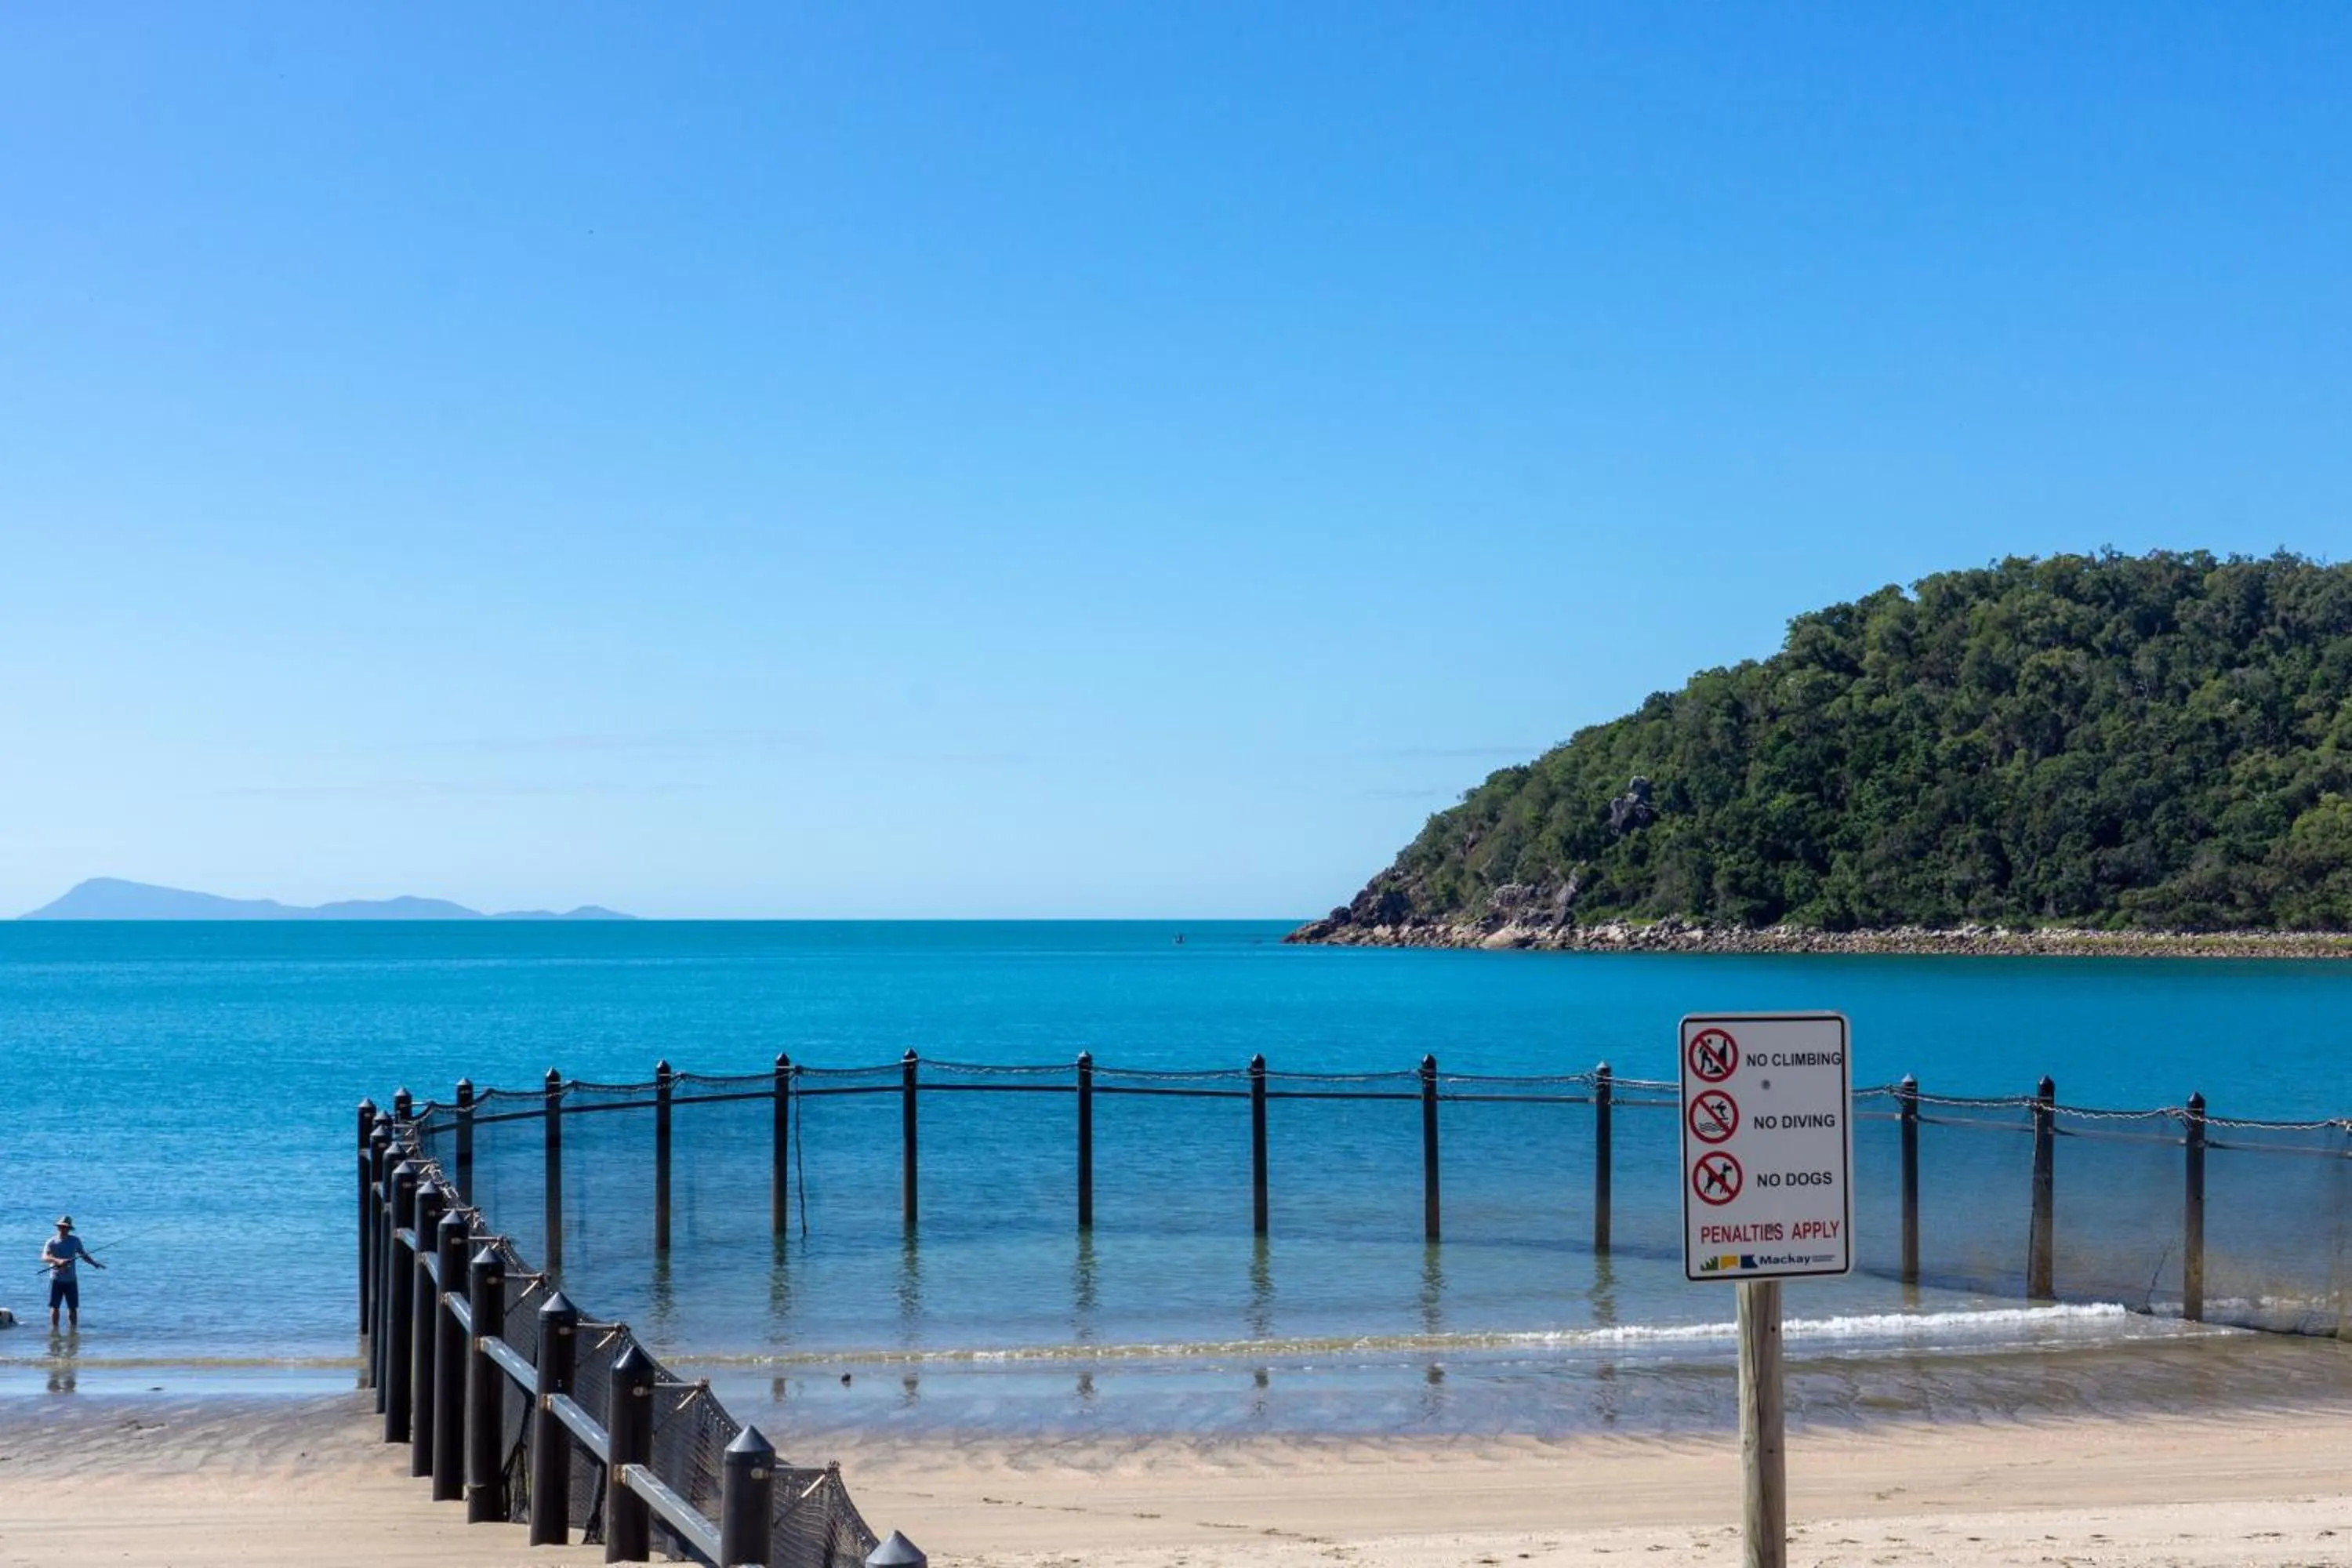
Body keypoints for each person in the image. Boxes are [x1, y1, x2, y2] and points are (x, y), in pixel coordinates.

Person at [40, 1216, 103, 1331]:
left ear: (69, 1228)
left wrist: (94, 1263)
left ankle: (73, 1332)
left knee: (73, 1308)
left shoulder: (75, 1241)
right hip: (56, 1279)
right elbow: (44, 1257)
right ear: (58, 1227)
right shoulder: (51, 1242)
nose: (63, 1229)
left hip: (71, 1280)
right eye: (61, 1227)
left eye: (65, 1227)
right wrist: (58, 1261)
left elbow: (83, 1255)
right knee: (55, 1307)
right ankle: (55, 1331)